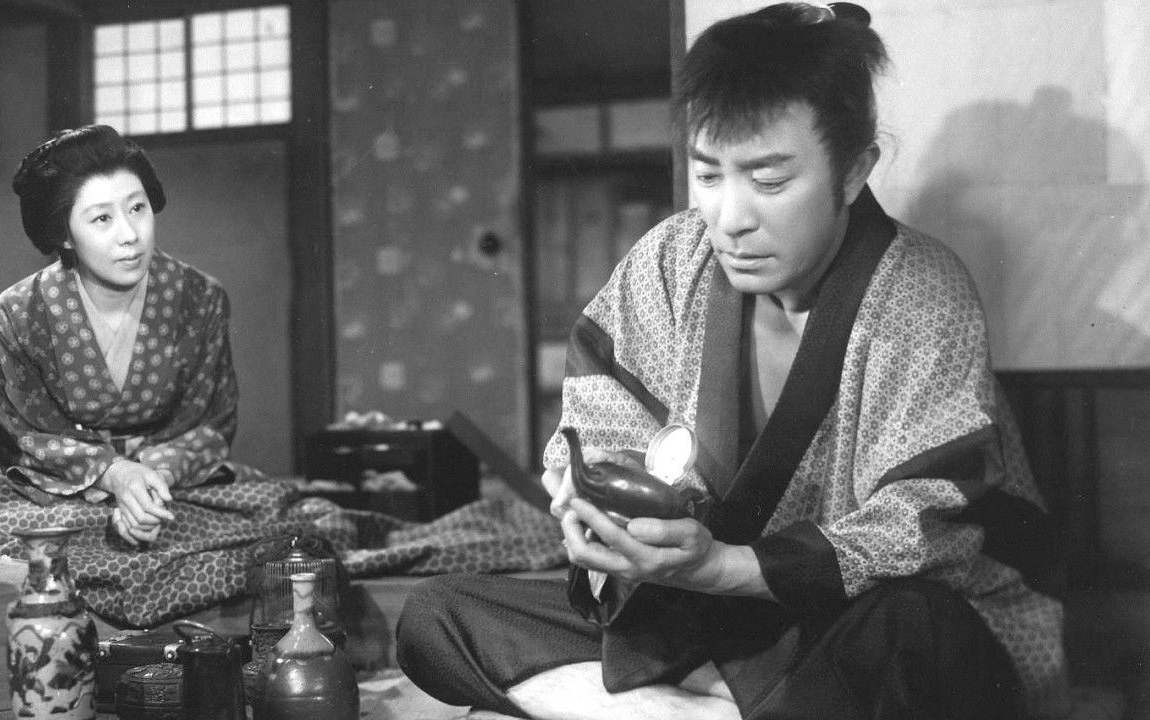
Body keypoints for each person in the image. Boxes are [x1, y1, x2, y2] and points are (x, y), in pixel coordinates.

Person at [395, 4, 1067, 719]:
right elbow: (600, 425)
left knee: (912, 632)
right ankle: (710, 708)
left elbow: (925, 524)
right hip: (710, 622)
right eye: (709, 175)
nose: (730, 218)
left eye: (769, 181)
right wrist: (593, 507)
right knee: (438, 615)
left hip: (847, 621)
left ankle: (667, 703)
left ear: (853, 171)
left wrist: (725, 567)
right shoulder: (669, 259)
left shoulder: (921, 291)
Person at [0, 124, 240, 545]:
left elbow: (211, 422)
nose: (130, 235)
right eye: (102, 218)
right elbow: (26, 434)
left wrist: (147, 485)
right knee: (30, 546)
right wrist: (115, 475)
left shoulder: (200, 298)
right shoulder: (20, 313)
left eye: (137, 208)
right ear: (64, 233)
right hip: (54, 485)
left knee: (274, 534)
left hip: (170, 482)